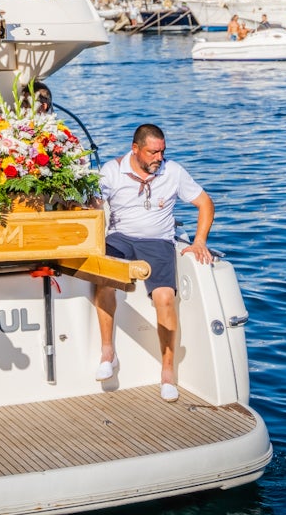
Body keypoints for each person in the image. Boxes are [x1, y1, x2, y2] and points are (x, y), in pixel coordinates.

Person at [92, 123, 214, 403]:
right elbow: (93, 205)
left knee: (165, 297)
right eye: (152, 152)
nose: (159, 158)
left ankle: (168, 373)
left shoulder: (174, 172)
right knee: (103, 281)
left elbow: (205, 203)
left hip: (158, 241)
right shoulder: (112, 171)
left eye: (162, 152)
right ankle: (108, 352)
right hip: (120, 238)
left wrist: (199, 242)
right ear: (135, 149)